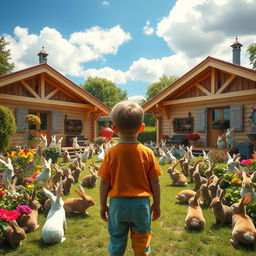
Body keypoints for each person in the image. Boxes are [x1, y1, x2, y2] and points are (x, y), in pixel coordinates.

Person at [98, 100, 162, 256]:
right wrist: (157, 204)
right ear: (141, 128)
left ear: (114, 129)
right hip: (141, 205)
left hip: (117, 205)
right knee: (141, 241)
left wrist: (102, 205)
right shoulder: (147, 152)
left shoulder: (111, 153)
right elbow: (155, 181)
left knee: (117, 240)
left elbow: (104, 182)